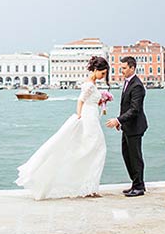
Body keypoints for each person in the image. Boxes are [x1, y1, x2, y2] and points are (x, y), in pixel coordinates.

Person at [15, 56, 109, 200]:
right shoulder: (89, 85)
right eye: (102, 73)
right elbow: (80, 101)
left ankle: (90, 186)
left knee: (94, 150)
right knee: (97, 149)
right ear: (96, 70)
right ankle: (88, 186)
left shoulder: (92, 84)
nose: (104, 76)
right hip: (89, 118)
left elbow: (89, 101)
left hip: (92, 116)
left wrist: (101, 101)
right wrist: (79, 116)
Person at [106, 56, 148, 197]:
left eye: (124, 68)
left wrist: (118, 120)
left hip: (135, 127)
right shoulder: (128, 83)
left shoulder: (137, 85)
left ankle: (139, 186)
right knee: (127, 155)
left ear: (132, 68)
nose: (121, 70)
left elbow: (134, 109)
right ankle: (135, 183)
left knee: (135, 157)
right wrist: (121, 122)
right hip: (128, 126)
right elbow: (125, 106)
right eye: (121, 68)